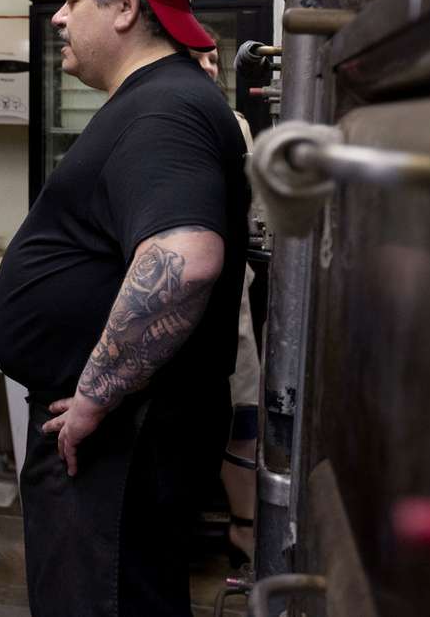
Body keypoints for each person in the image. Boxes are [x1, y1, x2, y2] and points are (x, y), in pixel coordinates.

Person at [0, 0, 249, 616]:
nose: (59, 16)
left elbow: (186, 260)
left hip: (117, 441)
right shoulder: (166, 99)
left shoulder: (164, 106)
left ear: (126, 6)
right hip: (124, 437)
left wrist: (93, 401)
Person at [192, 45, 259, 566]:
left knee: (241, 413)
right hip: (182, 295)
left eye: (215, 58)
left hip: (226, 292)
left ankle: (244, 524)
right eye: (200, 57)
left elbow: (253, 208)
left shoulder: (233, 124)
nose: (211, 68)